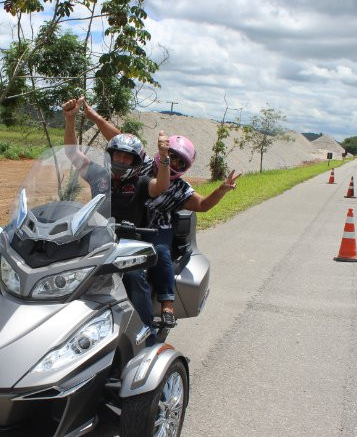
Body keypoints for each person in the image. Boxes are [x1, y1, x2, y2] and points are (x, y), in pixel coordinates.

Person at [81, 98, 241, 328]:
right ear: (163, 152)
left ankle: (166, 304)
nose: (173, 162)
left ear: (185, 167)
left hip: (156, 228)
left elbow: (203, 205)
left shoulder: (181, 188)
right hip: (124, 222)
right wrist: (93, 115)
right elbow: (117, 138)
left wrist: (221, 190)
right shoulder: (143, 164)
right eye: (171, 156)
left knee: (160, 253)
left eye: (179, 162)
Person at [62, 98, 171, 339]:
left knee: (133, 278)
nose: (121, 161)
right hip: (97, 242)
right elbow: (72, 152)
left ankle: (147, 333)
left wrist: (164, 157)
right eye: (117, 156)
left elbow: (161, 186)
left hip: (128, 247)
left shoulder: (141, 183)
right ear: (110, 156)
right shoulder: (98, 175)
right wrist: (70, 119)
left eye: (127, 158)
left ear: (135, 161)